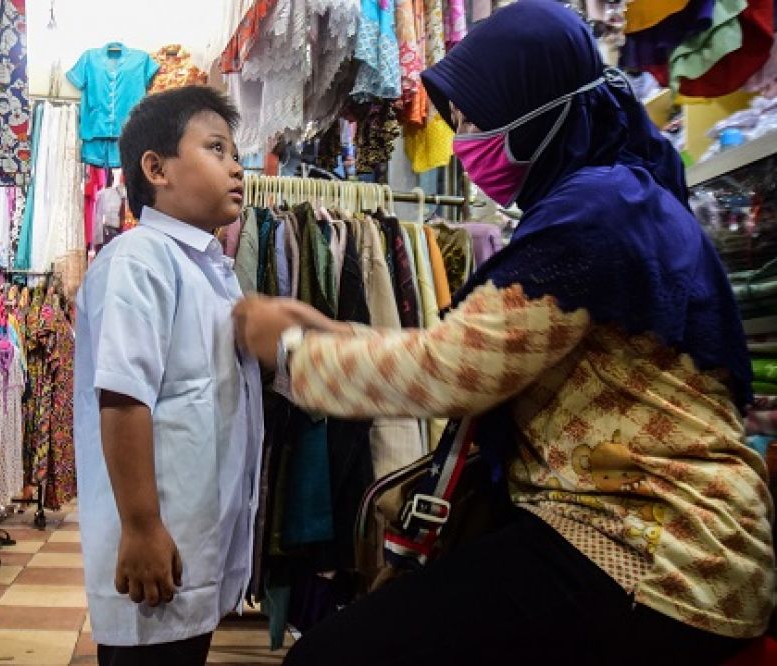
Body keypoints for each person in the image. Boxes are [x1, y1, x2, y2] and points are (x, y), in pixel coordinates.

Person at [233, 2, 775, 664]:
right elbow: (492, 346)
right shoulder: (618, 199)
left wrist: (291, 353)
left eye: (473, 118)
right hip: (666, 536)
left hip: (654, 549)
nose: (461, 138)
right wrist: (329, 332)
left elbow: (449, 371)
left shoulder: (593, 216)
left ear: (540, 107)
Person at [74, 86, 263, 666]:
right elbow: (123, 397)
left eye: (236, 153)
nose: (236, 166)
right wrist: (141, 524)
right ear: (155, 168)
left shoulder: (208, 269)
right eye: (215, 149)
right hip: (157, 542)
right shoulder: (140, 260)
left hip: (191, 539)